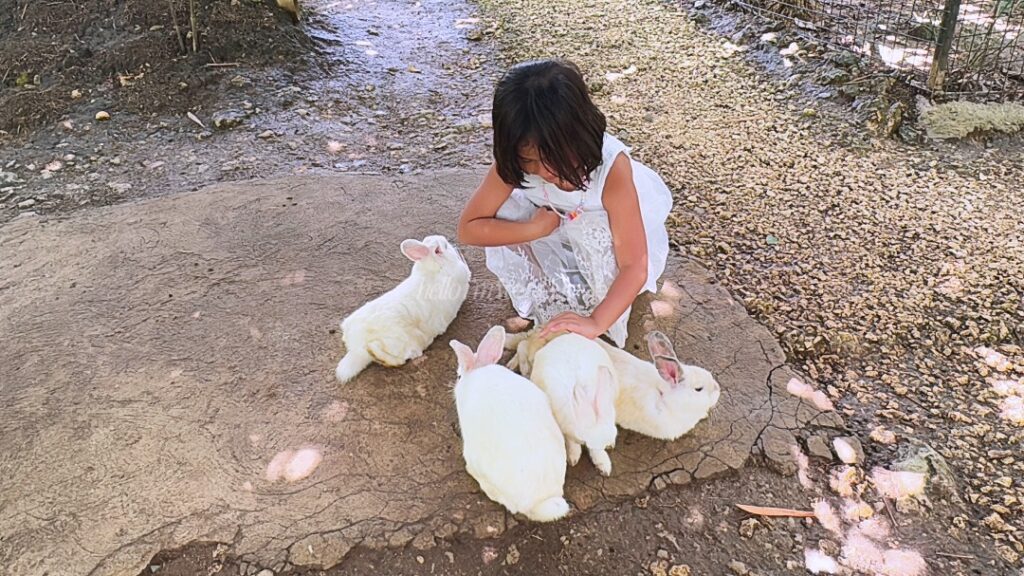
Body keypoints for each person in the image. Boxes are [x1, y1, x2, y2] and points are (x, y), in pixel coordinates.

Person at [457, 59, 672, 347]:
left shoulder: (611, 169)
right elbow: (468, 229)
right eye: (530, 161)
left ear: (580, 135)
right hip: (551, 227)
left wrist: (596, 322)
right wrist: (534, 230)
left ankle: (591, 288)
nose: (545, 172)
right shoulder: (515, 162)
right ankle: (552, 284)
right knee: (509, 212)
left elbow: (634, 265)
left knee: (596, 246)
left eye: (555, 157)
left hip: (609, 237)